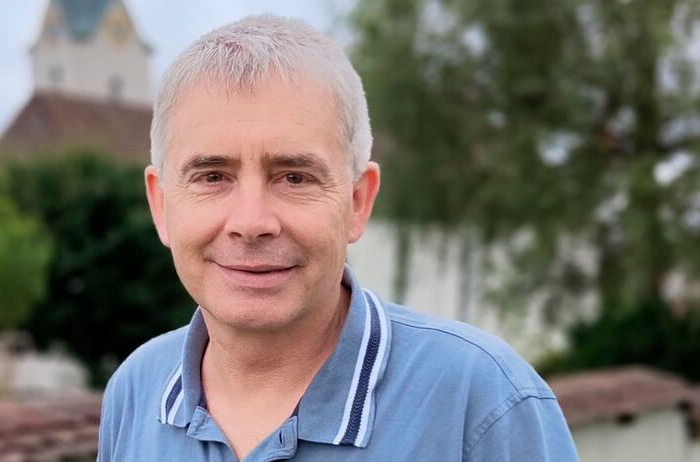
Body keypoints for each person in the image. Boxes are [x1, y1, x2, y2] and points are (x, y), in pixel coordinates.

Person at [97, 15, 578, 462]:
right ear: (161, 204)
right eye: (212, 176)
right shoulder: (137, 390)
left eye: (295, 177)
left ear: (357, 201)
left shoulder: (481, 402)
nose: (251, 222)